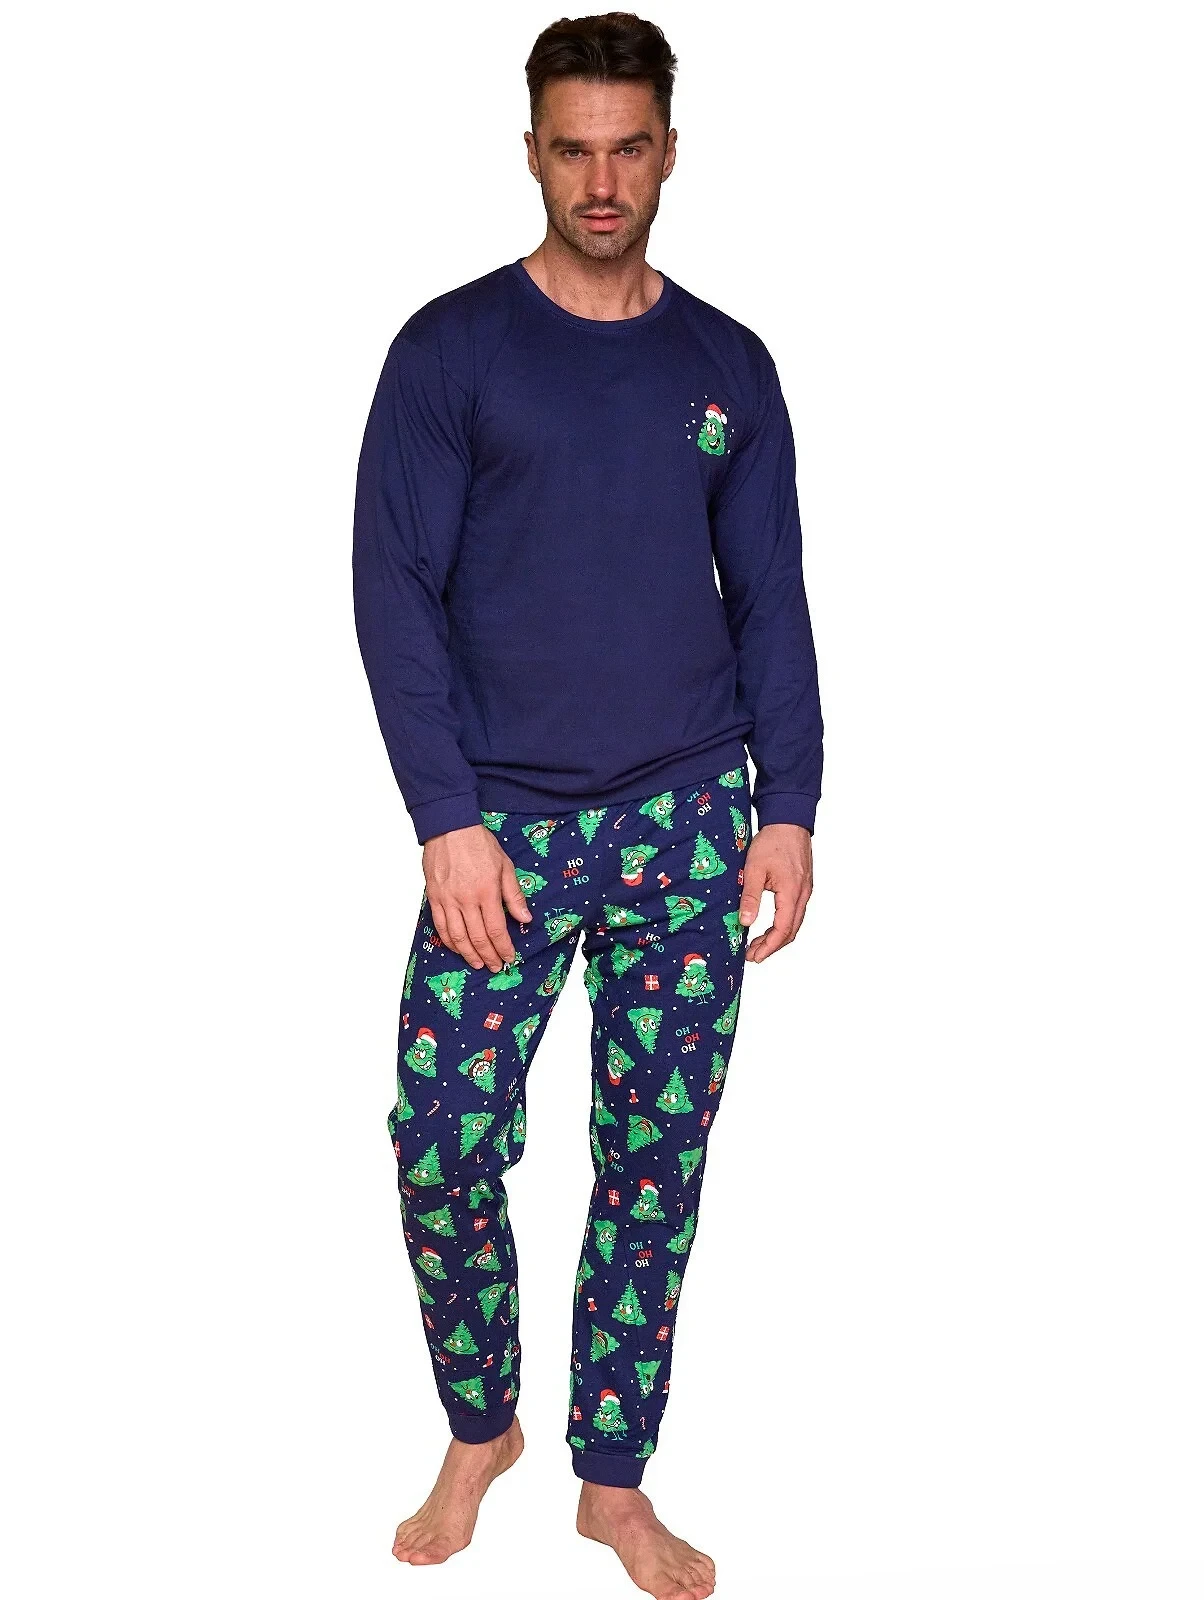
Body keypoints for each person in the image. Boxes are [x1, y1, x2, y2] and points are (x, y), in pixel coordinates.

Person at [351, 13, 822, 1599]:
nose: (602, 181)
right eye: (574, 149)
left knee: (654, 1163)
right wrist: (445, 817)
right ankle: (481, 1426)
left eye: (630, 148)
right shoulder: (450, 353)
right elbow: (394, 593)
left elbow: (772, 596)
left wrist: (790, 802)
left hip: (690, 821)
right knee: (441, 1146)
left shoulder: (726, 366)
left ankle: (612, 1481)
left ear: (669, 151)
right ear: (532, 153)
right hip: (503, 832)